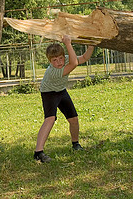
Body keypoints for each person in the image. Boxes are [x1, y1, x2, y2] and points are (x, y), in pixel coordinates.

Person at [34, 35, 94, 163]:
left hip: (61, 90)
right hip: (49, 92)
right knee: (50, 119)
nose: (59, 62)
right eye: (55, 60)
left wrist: (91, 45)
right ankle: (38, 152)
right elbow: (74, 63)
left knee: (74, 119)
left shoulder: (66, 60)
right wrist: (68, 43)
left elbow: (83, 58)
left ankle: (75, 144)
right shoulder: (53, 72)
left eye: (61, 58)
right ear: (50, 61)